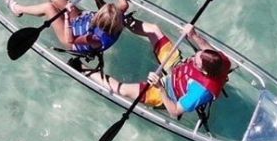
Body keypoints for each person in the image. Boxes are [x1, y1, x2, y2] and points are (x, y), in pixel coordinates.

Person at [88, 20, 232, 119]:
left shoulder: (199, 92)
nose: (193, 58)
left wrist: (161, 87)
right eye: (196, 55)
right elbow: (206, 48)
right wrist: (194, 35)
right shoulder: (221, 60)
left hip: (169, 92)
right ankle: (120, 21)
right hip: (176, 67)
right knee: (154, 30)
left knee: (123, 90)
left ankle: (83, 70)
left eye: (196, 62)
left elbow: (174, 112)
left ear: (205, 72)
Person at [4, 0, 130, 55]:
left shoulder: (95, 39)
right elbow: (124, 4)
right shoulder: (117, 18)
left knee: (49, 8)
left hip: (70, 36)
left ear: (98, 18)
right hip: (80, 19)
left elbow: (71, 40)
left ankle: (18, 9)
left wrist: (66, 17)